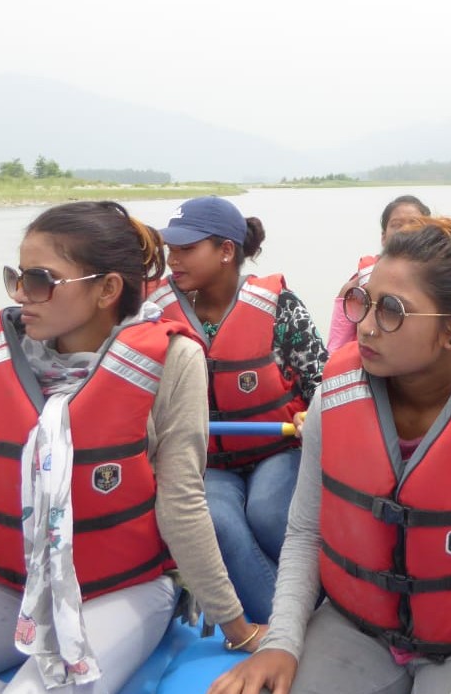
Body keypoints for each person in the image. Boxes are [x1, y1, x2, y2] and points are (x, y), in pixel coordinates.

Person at [0, 201, 262, 693]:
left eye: (40, 280)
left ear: (107, 290)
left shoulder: (174, 361)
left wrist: (236, 626)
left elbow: (181, 507)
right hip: (15, 589)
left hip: (125, 590)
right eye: (17, 277)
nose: (20, 295)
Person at [210, 218, 451, 694]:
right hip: (358, 630)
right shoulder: (332, 402)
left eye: (392, 311)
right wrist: (282, 642)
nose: (368, 327)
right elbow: (305, 531)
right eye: (364, 302)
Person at [149, 196, 327, 624]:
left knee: (269, 514)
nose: (174, 260)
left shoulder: (280, 306)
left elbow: (322, 381)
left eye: (187, 249)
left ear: (226, 251)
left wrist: (312, 417)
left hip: (276, 449)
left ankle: (314, 609)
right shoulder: (153, 314)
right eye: (171, 250)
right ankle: (289, 627)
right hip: (204, 459)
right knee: (218, 524)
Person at [327, 195, 431, 351]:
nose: (405, 230)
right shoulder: (354, 289)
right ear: (383, 237)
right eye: (396, 225)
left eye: (414, 224)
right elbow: (335, 349)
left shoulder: (438, 283)